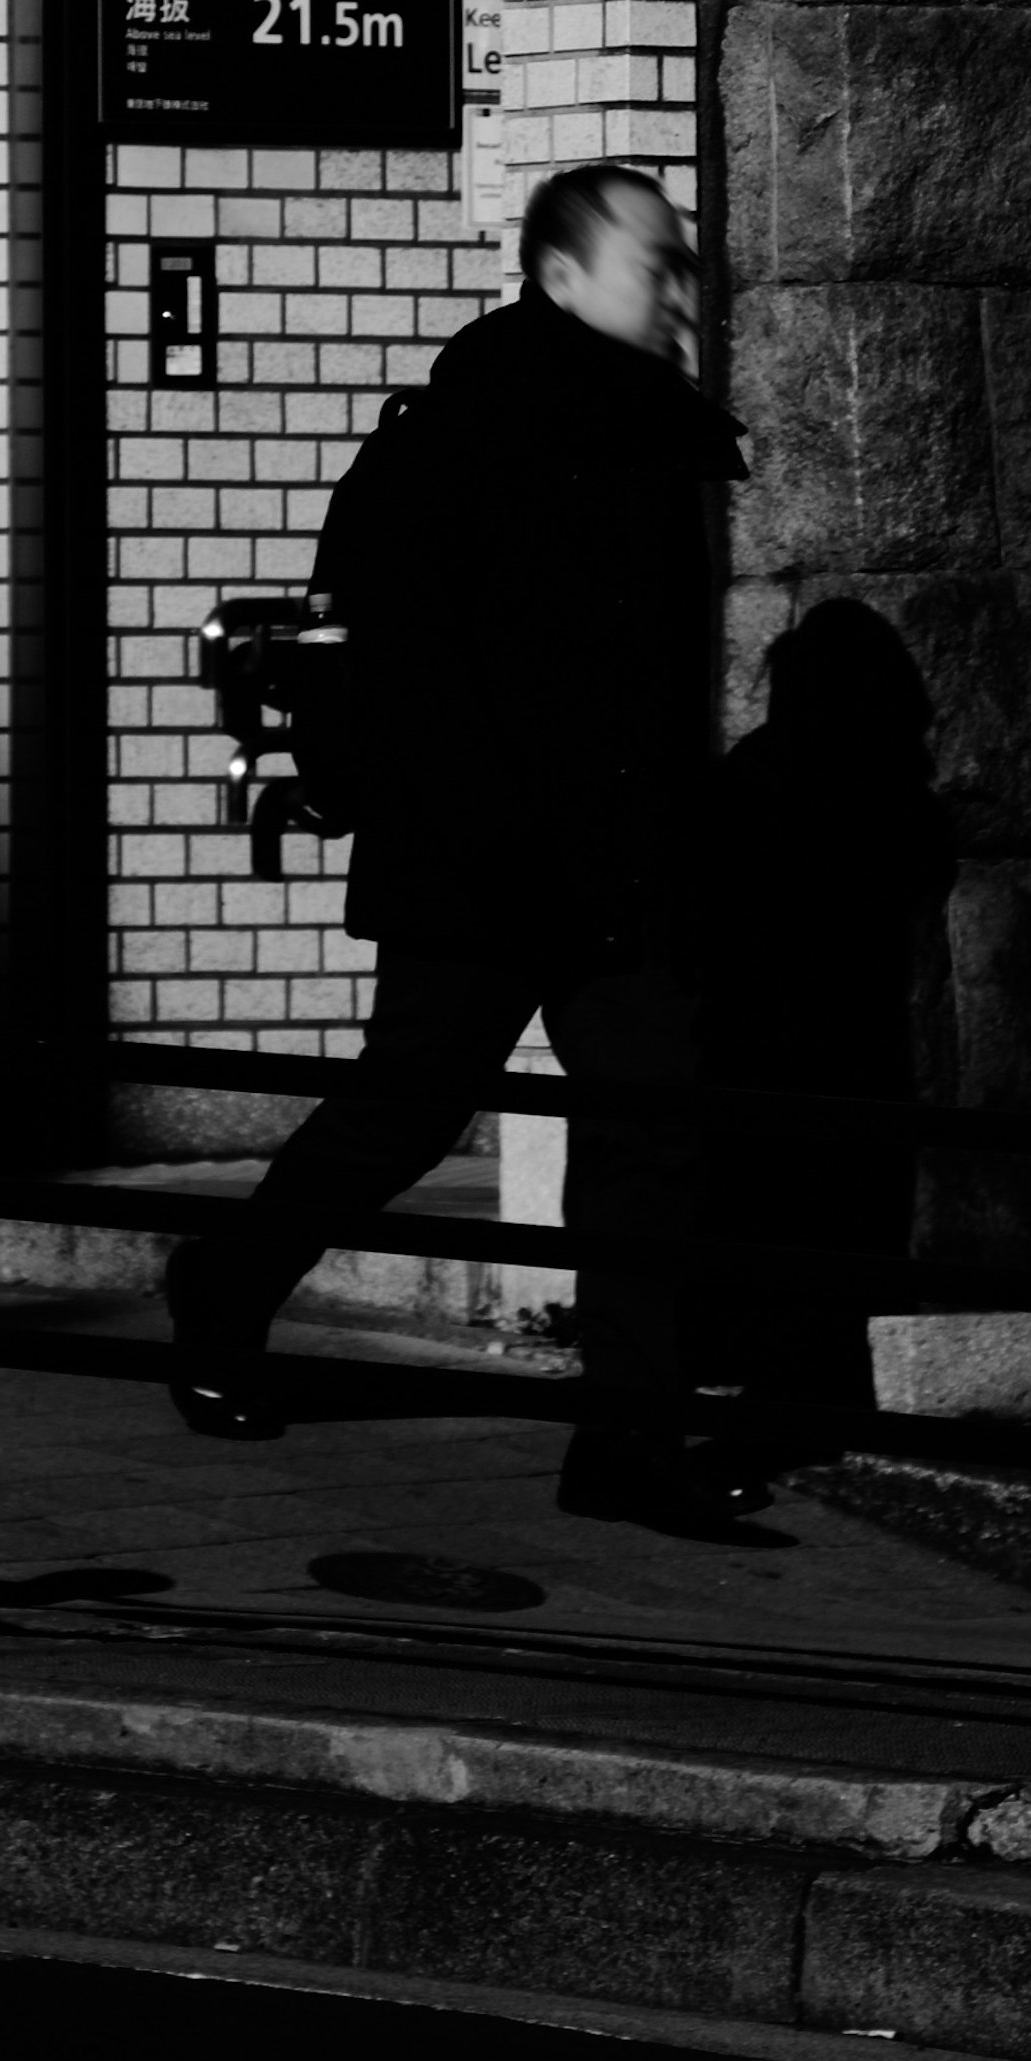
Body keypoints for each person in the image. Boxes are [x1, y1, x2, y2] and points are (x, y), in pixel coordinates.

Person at [161, 162, 767, 1539]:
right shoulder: (466, 432)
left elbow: (651, 691)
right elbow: (420, 666)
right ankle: (225, 1286)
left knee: (650, 1128)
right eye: (648, 262)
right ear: (559, 274)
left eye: (681, 261)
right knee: (407, 1108)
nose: (678, 286)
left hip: (612, 859)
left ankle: (626, 1432)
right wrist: (505, 840)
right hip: (483, 860)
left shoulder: (651, 430)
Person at [691, 601, 955, 1476]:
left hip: (758, 1037)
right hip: (858, 1040)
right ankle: (830, 1402)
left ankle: (780, 1403)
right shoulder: (894, 786)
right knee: (844, 1226)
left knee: (773, 1221)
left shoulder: (758, 773)